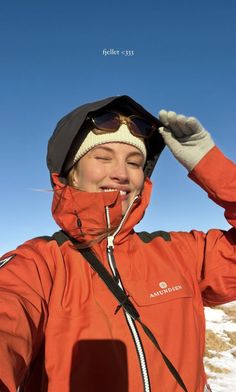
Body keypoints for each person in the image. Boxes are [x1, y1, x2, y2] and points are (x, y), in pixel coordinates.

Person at [0, 95, 235, 392]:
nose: (122, 174)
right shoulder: (37, 265)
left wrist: (209, 164)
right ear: (70, 173)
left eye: (134, 162)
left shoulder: (181, 253)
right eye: (103, 157)